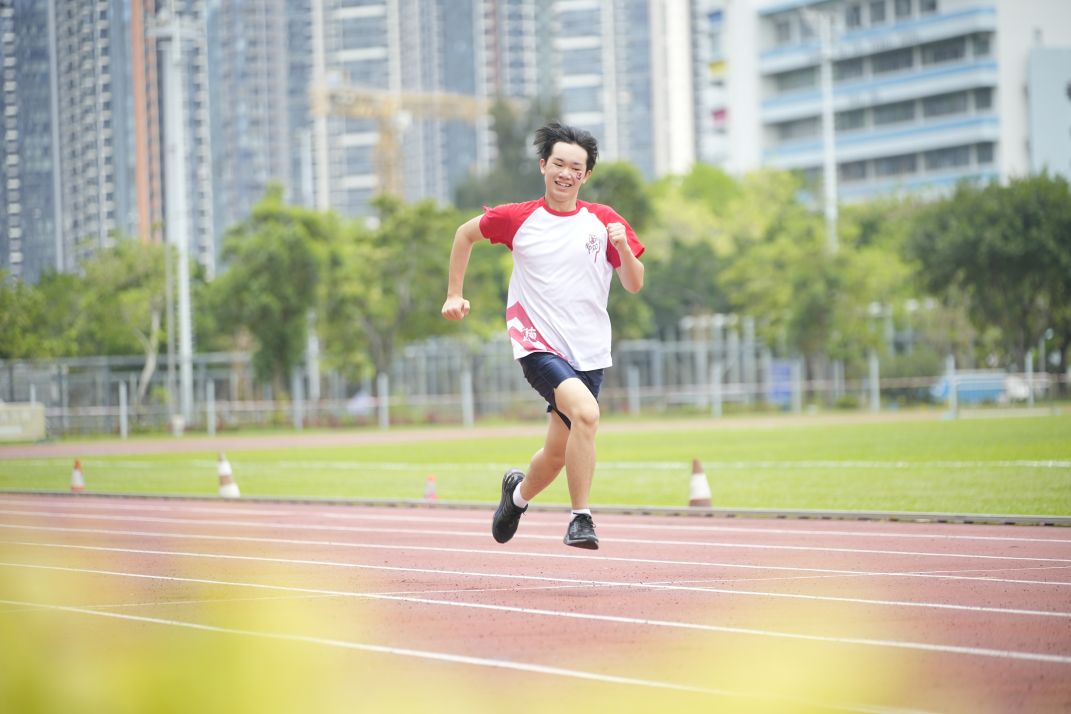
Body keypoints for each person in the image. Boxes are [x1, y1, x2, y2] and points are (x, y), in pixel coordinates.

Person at [440, 122, 645, 549]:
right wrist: (454, 294)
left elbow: (634, 283)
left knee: (555, 455)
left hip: (588, 352)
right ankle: (580, 519)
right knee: (587, 414)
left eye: (576, 168)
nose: (566, 173)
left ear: (586, 175)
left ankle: (515, 497)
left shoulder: (603, 221)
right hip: (536, 343)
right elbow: (464, 234)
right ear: (543, 166)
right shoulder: (518, 218)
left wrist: (624, 248)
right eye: (558, 164)